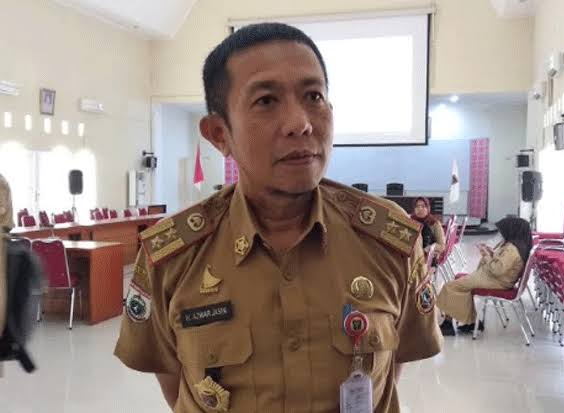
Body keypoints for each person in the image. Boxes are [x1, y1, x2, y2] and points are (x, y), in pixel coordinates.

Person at [114, 22, 442, 412]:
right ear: (220, 134)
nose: (300, 123)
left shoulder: (387, 240)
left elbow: (390, 369)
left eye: (313, 96)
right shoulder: (173, 256)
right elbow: (173, 382)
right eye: (266, 101)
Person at [436, 217, 532, 336]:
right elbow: (501, 263)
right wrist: (491, 253)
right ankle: (471, 322)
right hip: (495, 278)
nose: (501, 233)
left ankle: (448, 324)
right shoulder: (515, 245)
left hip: (496, 280)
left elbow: (497, 270)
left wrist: (486, 256)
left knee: (450, 286)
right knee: (460, 285)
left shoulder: (512, 249)